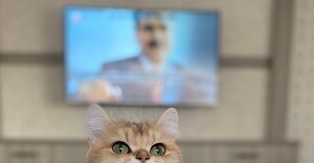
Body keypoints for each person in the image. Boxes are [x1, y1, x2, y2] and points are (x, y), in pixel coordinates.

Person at [80, 11, 214, 105]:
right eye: (148, 29)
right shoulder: (111, 68)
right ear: (137, 33)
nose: (156, 37)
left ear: (174, 32)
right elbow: (83, 89)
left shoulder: (192, 79)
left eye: (163, 28)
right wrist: (92, 92)